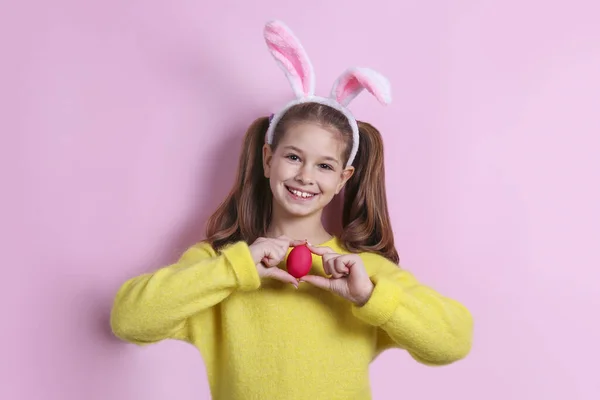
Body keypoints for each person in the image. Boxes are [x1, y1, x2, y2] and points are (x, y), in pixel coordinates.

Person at [110, 20, 473, 400]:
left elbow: (453, 341)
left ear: (343, 179)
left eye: (325, 166)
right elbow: (129, 321)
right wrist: (236, 270)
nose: (305, 176)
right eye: (294, 157)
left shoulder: (365, 275)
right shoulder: (221, 266)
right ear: (268, 160)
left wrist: (370, 297)